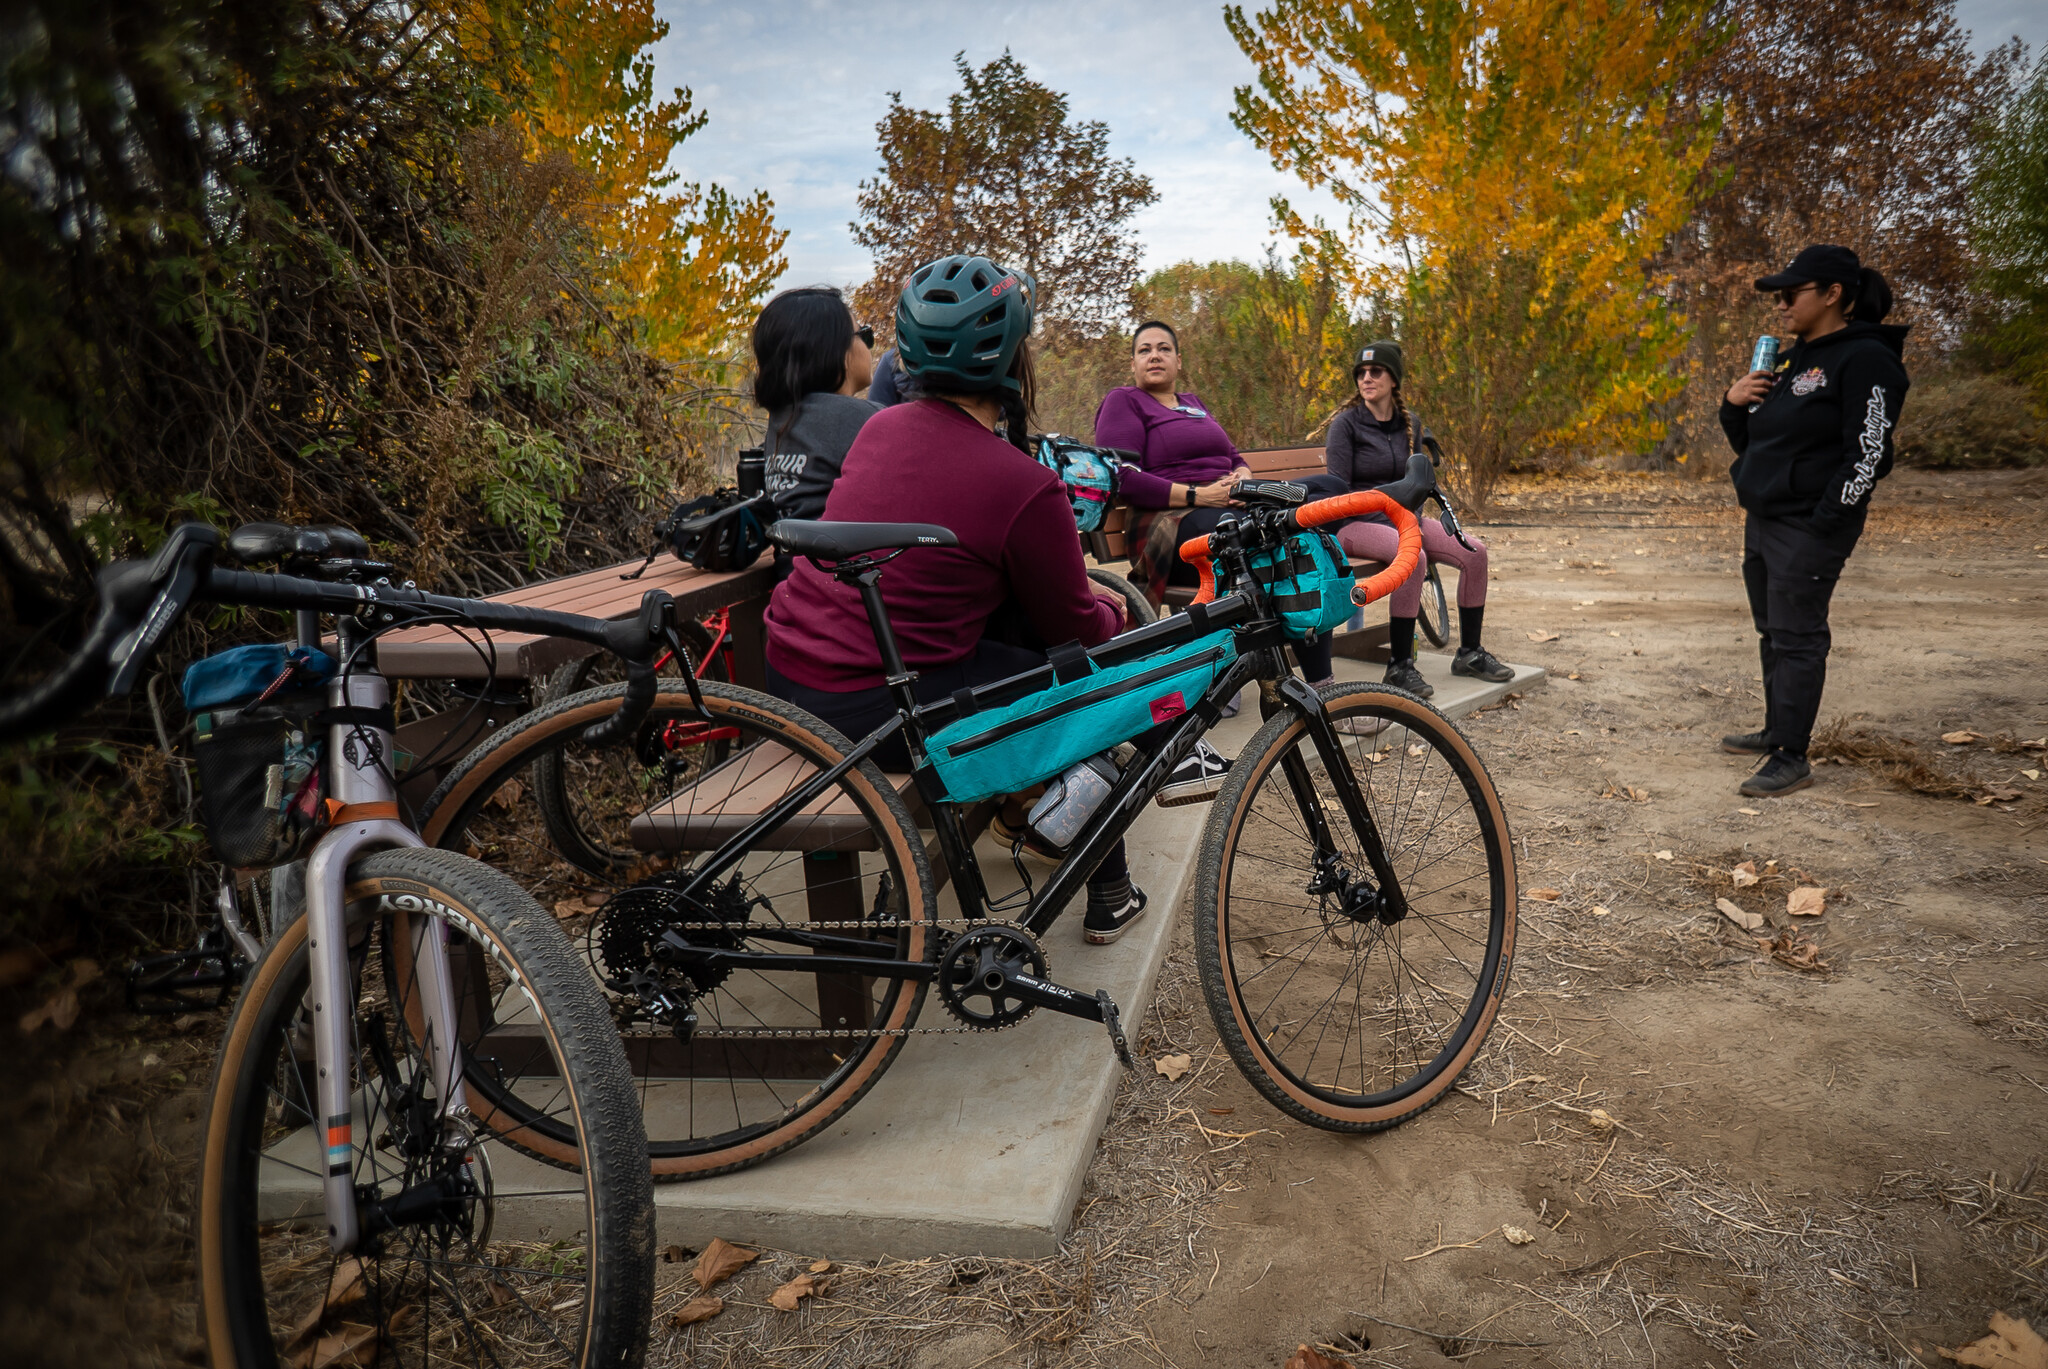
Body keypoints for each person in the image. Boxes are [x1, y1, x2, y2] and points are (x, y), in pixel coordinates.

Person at [763, 256, 1228, 946]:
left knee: (1029, 655)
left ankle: (1059, 840)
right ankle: (1109, 889)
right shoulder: (1023, 482)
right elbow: (1077, 627)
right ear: (1016, 357)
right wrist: (1114, 609)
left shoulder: (878, 430)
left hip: (792, 676)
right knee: (1089, 692)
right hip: (876, 699)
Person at [1718, 244, 1908, 798]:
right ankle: (1780, 727)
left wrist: (1826, 521)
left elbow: (1869, 452)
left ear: (1833, 295)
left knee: (1798, 635)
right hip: (1765, 516)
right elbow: (1760, 443)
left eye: (1790, 294)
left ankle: (1791, 755)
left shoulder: (1867, 358)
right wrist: (1734, 404)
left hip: (1809, 525)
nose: (1781, 304)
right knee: (1773, 630)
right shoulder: (1794, 357)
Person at [1293, 341, 1512, 697]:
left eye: (1375, 371)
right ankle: (1399, 666)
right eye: (1360, 373)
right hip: (1354, 524)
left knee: (1475, 553)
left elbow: (1418, 482)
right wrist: (1393, 517)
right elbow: (1338, 493)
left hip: (1401, 520)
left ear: (1393, 378)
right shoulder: (1345, 426)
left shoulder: (1409, 424)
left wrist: (1411, 517)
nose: (1366, 378)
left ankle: (1470, 654)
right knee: (1413, 556)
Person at [1092, 323, 1254, 608]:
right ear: (1133, 364)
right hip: (1171, 523)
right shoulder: (1124, 400)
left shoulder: (1193, 402)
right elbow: (1122, 476)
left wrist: (1243, 480)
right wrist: (1200, 495)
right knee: (1245, 532)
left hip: (1226, 508)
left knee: (1326, 492)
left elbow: (1233, 457)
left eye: (1164, 349)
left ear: (1178, 361)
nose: (1154, 356)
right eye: (1145, 350)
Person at [753, 286, 881, 522]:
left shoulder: (784, 417)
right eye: (864, 335)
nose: (868, 345)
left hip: (792, 555)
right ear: (834, 349)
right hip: (847, 557)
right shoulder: (868, 420)